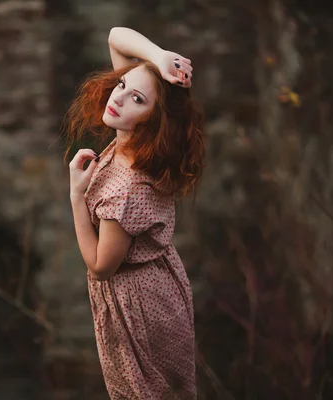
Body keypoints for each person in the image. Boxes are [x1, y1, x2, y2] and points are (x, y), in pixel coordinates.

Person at [64, 27, 206, 399]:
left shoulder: (127, 188)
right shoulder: (137, 146)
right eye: (122, 84)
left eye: (137, 98)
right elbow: (114, 36)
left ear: (152, 121)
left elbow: (100, 265)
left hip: (141, 309)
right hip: (155, 289)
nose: (119, 97)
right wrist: (159, 58)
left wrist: (77, 197)